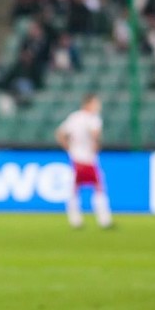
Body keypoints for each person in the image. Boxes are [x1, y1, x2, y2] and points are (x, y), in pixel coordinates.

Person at [55, 94, 113, 229]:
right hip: (88, 158)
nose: (98, 107)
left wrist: (68, 148)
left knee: (75, 188)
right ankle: (104, 219)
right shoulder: (93, 119)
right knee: (98, 187)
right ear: (88, 104)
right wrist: (96, 143)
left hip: (75, 157)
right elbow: (95, 134)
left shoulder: (74, 117)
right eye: (96, 103)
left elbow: (60, 133)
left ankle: (75, 219)